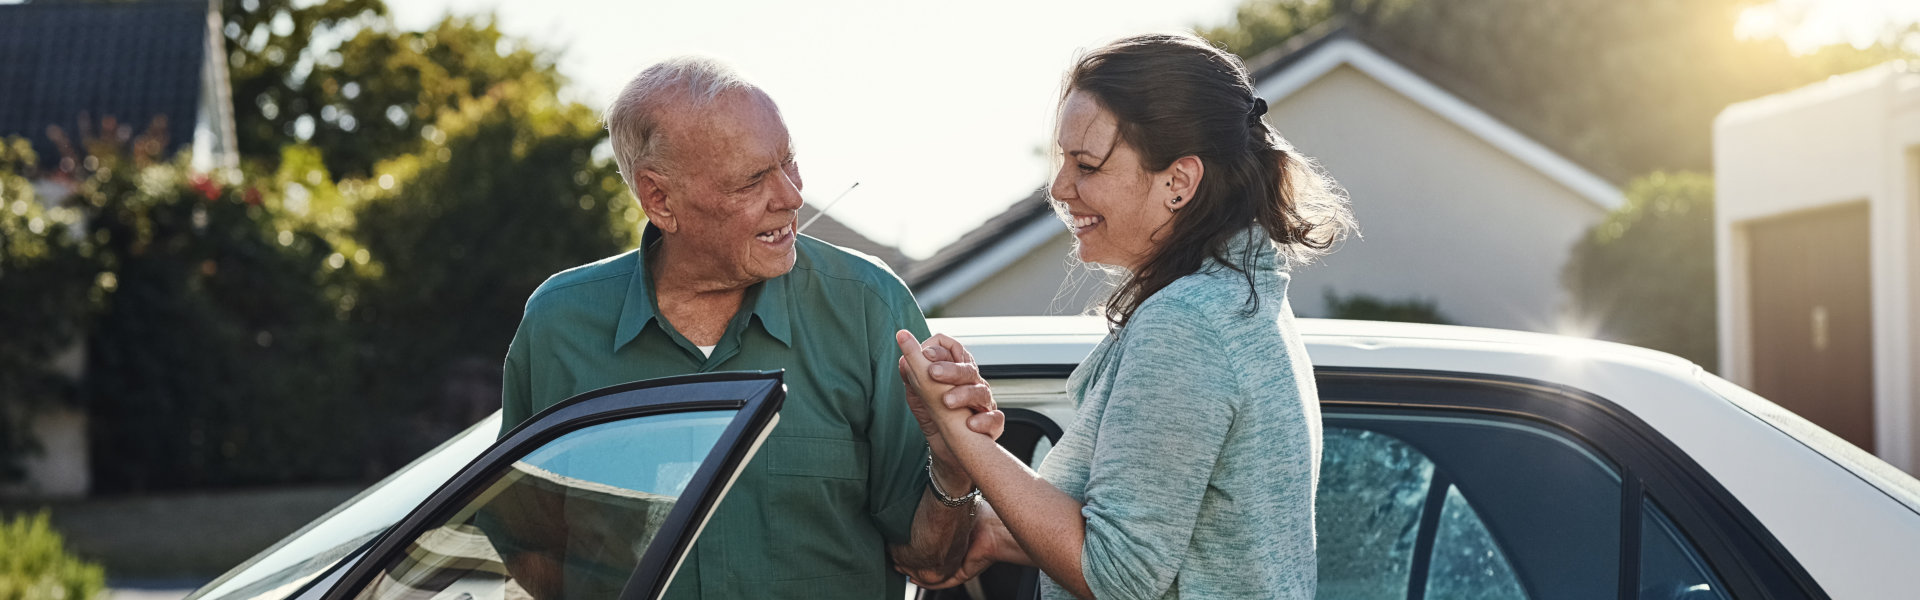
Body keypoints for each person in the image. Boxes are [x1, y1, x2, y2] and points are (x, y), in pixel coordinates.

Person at [498, 57, 999, 599]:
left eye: (789, 162)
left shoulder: (867, 305)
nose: (790, 197)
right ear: (660, 200)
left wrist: (954, 465)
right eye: (754, 179)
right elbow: (530, 552)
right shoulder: (559, 324)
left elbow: (928, 562)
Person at [894, 33, 1354, 600]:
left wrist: (968, 441)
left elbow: (1118, 575)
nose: (1060, 189)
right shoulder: (1245, 302)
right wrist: (998, 529)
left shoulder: (1188, 324)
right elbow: (1180, 540)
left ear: (1179, 183)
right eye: (1061, 160)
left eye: (1085, 164)